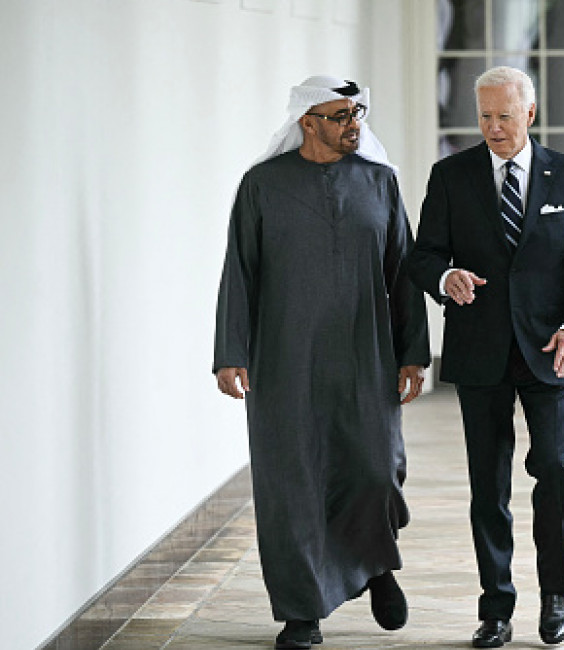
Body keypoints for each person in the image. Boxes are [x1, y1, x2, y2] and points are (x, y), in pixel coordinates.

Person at [212, 75, 430, 650]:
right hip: (284, 357)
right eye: (340, 115)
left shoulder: (380, 183)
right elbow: (240, 271)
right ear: (308, 122)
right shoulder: (262, 186)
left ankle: (376, 565)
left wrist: (413, 353)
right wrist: (230, 352)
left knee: (376, 470)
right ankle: (302, 612)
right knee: (293, 483)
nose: (353, 122)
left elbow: (402, 274)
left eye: (357, 112)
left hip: (367, 355)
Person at [405, 66, 564, 648]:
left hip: (551, 351)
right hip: (480, 350)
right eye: (484, 117)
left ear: (530, 113)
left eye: (504, 116)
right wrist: (446, 277)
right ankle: (495, 607)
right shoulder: (450, 176)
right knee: (487, 486)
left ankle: (555, 594)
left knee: (555, 470)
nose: (494, 128)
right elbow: (422, 257)